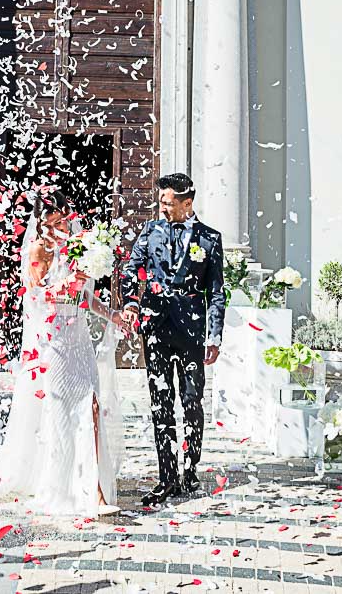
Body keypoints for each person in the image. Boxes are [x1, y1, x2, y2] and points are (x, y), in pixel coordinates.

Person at [0, 189, 128, 516]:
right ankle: (63, 488)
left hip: (78, 336)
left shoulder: (76, 246)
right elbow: (38, 294)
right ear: (43, 218)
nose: (65, 221)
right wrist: (69, 283)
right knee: (63, 412)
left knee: (92, 403)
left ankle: (97, 492)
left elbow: (86, 299)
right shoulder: (37, 249)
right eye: (58, 216)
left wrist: (112, 314)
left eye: (67, 215)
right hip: (55, 340)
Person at [120, 173, 226, 507]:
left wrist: (214, 335)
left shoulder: (210, 239)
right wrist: (131, 302)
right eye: (161, 202)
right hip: (155, 327)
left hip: (192, 330)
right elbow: (130, 268)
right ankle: (167, 478)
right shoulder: (150, 231)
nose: (163, 208)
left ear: (187, 203)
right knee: (160, 402)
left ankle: (189, 467)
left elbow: (217, 291)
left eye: (169, 203)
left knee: (192, 401)